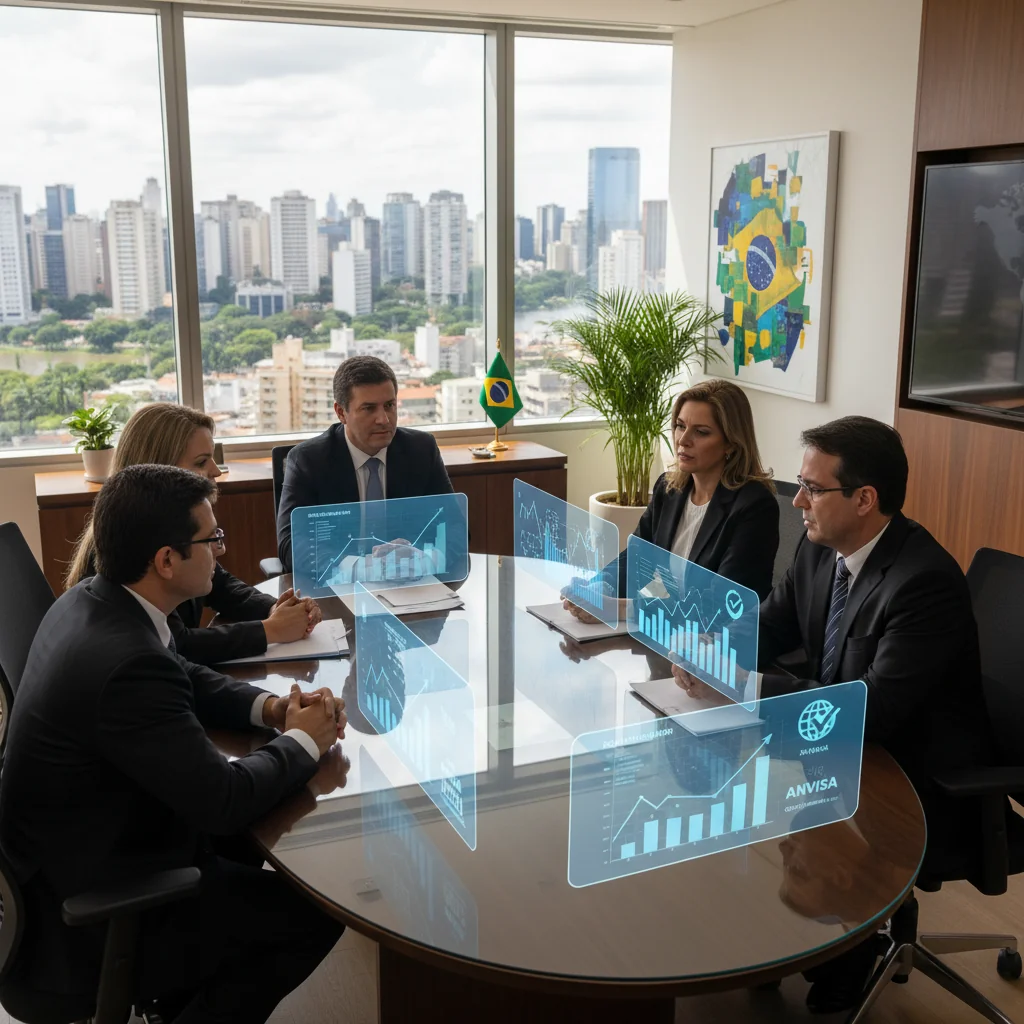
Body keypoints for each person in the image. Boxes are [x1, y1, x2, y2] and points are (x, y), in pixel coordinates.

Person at [0, 464, 347, 1023]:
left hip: (73, 858)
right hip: (90, 918)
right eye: (212, 539)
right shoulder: (126, 661)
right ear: (166, 560)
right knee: (317, 911)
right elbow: (223, 801)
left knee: (266, 839)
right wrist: (306, 742)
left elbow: (180, 670)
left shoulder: (94, 600)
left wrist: (275, 709)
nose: (221, 549)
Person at [677, 416, 991, 1013]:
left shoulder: (922, 582)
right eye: (800, 485)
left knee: (755, 777)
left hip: (912, 774)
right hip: (844, 741)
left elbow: (868, 711)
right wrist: (711, 654)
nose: (797, 501)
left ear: (865, 499)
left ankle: (842, 957)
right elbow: (772, 622)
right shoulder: (823, 549)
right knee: (707, 770)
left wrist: (746, 688)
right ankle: (779, 934)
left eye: (812, 489)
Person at [65, 403, 320, 664]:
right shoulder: (126, 547)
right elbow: (178, 645)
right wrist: (271, 629)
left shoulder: (171, 524)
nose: (216, 471)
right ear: (159, 470)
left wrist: (275, 607)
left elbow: (221, 586)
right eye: (201, 461)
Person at [564, 378, 779, 624]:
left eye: (701, 432)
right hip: (670, 634)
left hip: (718, 646)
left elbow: (720, 605)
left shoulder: (754, 506)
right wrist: (600, 588)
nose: (682, 440)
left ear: (731, 443)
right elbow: (636, 557)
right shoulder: (669, 489)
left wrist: (621, 610)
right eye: (680, 426)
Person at [276, 354, 454, 570]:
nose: (384, 419)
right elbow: (291, 544)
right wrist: (361, 566)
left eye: (389, 405)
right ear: (341, 412)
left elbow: (455, 530)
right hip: (339, 587)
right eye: (369, 408)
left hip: (411, 582)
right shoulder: (308, 460)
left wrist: (421, 557)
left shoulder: (421, 449)